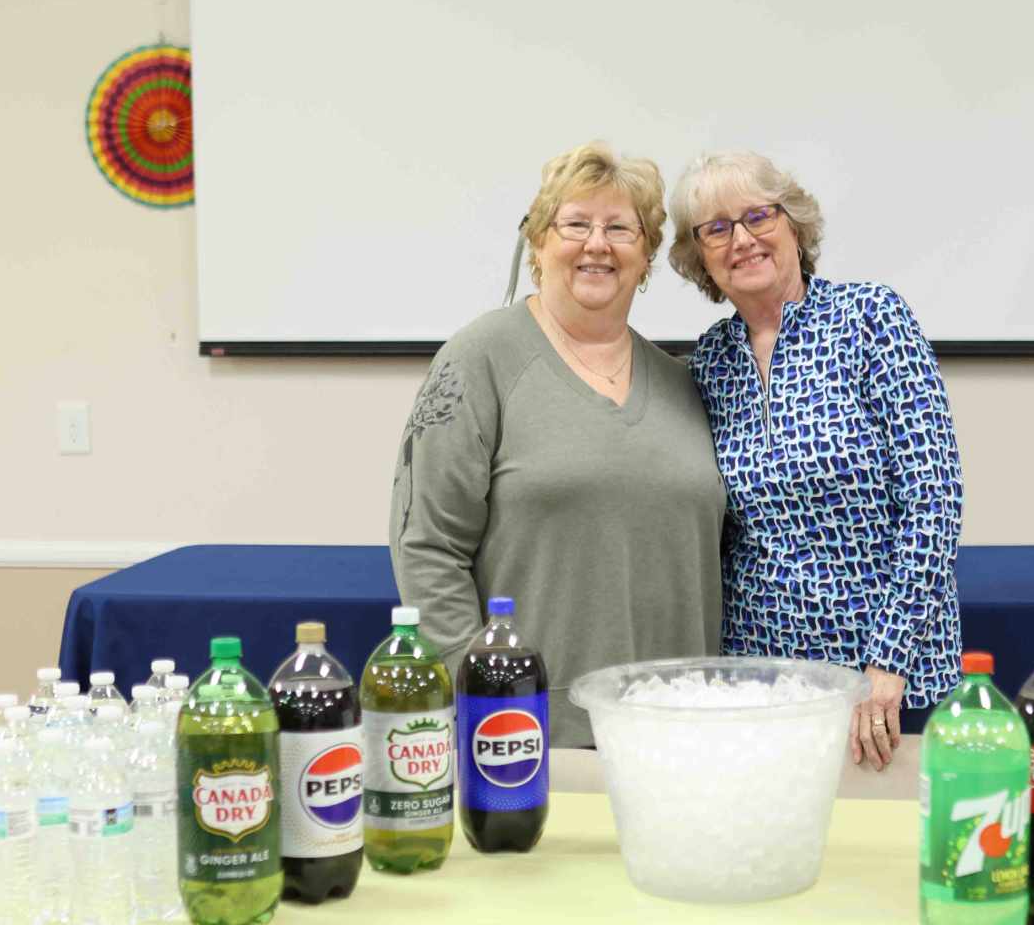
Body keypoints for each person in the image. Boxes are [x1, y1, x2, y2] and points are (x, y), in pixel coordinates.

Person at [389, 142, 725, 747]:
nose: (597, 244)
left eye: (620, 228)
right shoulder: (479, 359)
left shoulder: (684, 382)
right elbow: (427, 546)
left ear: (646, 256)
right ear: (538, 244)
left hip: (682, 727)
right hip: (533, 731)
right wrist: (484, 697)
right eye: (575, 224)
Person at [668, 151, 962, 771]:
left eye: (757, 216)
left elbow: (934, 501)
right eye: (716, 228)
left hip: (884, 681)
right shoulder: (710, 361)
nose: (741, 239)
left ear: (794, 226)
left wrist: (888, 661)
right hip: (760, 682)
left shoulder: (871, 318)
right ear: (701, 258)